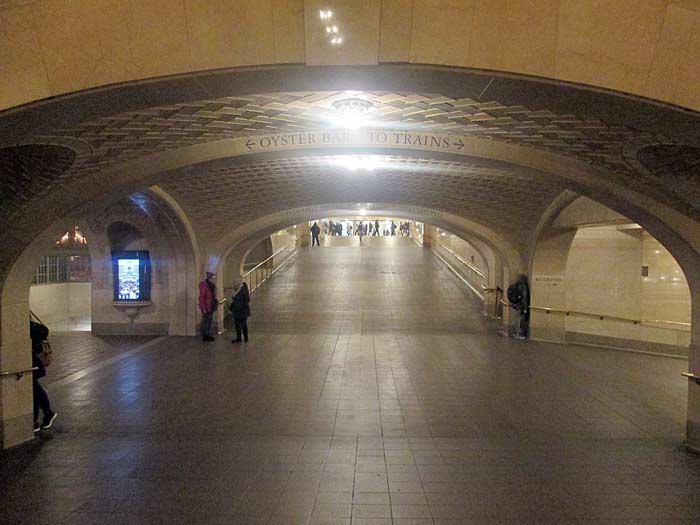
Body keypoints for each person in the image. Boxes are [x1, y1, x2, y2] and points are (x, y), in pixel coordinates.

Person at [30, 320, 57, 433]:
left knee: (34, 390)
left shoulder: (30, 326)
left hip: (32, 362)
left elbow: (42, 332)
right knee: (35, 388)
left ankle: (35, 420)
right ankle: (47, 414)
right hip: (31, 362)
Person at [229, 277, 251, 343]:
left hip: (242, 311)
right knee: (237, 325)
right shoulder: (238, 290)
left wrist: (234, 308)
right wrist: (231, 307)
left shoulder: (243, 290)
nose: (233, 284)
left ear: (238, 283)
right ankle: (239, 337)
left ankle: (245, 337)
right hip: (237, 311)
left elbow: (243, 301)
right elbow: (235, 301)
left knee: (243, 324)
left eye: (235, 283)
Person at [198, 271, 218, 342]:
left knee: (209, 321)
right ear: (209, 279)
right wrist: (203, 308)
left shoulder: (212, 286)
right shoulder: (205, 285)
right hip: (207, 307)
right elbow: (202, 298)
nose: (214, 280)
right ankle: (205, 335)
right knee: (206, 321)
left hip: (211, 306)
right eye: (213, 278)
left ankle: (207, 334)